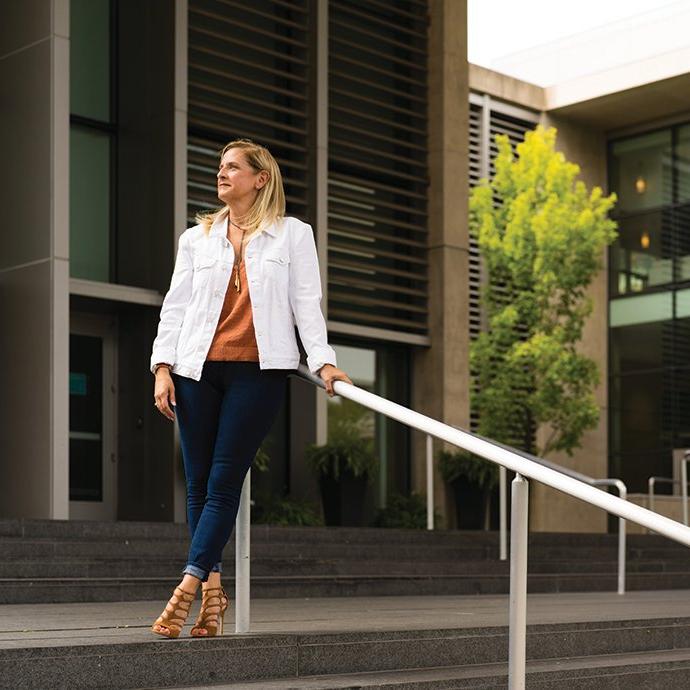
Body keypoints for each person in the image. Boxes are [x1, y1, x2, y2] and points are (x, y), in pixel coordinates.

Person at [149, 138, 352, 638]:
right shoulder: (195, 239)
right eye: (220, 167)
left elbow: (308, 304)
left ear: (260, 178)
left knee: (222, 481)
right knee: (196, 483)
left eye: (233, 167)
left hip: (257, 372)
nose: (222, 174)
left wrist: (323, 362)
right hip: (196, 371)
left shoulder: (292, 235)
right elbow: (175, 307)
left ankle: (188, 586)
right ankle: (213, 595)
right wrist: (162, 367)